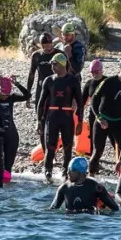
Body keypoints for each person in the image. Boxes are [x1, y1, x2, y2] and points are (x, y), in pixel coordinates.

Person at [39, 53, 83, 181]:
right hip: (52, 117)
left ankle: (65, 171)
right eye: (51, 64)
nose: (52, 67)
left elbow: (80, 103)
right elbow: (41, 103)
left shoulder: (73, 81)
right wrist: (39, 121)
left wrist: (80, 121)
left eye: (54, 64)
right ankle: (48, 170)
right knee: (50, 146)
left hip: (67, 117)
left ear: (62, 64)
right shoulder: (49, 80)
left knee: (67, 146)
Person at [89, 57, 121, 175]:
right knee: (98, 151)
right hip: (102, 120)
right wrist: (99, 118)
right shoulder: (108, 82)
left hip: (118, 122)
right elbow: (94, 100)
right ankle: (91, 175)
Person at [50, 156, 119, 214]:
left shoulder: (95, 187)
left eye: (71, 170)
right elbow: (52, 210)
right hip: (70, 222)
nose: (68, 172)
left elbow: (115, 208)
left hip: (89, 221)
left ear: (80, 172)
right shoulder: (64, 188)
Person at [27, 33, 62, 139]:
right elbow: (31, 75)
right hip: (41, 90)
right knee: (41, 118)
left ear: (52, 44)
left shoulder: (59, 54)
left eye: (49, 45)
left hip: (56, 90)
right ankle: (43, 143)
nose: (47, 48)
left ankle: (54, 141)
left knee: (56, 119)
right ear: (41, 45)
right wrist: (28, 95)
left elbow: (69, 73)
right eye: (45, 46)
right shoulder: (36, 55)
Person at [0, 75, 30, 174]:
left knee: (8, 162)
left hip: (9, 131)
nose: (5, 97)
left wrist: (16, 83)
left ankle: (7, 176)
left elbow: (27, 95)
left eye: (7, 94)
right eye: (3, 94)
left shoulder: (11, 97)